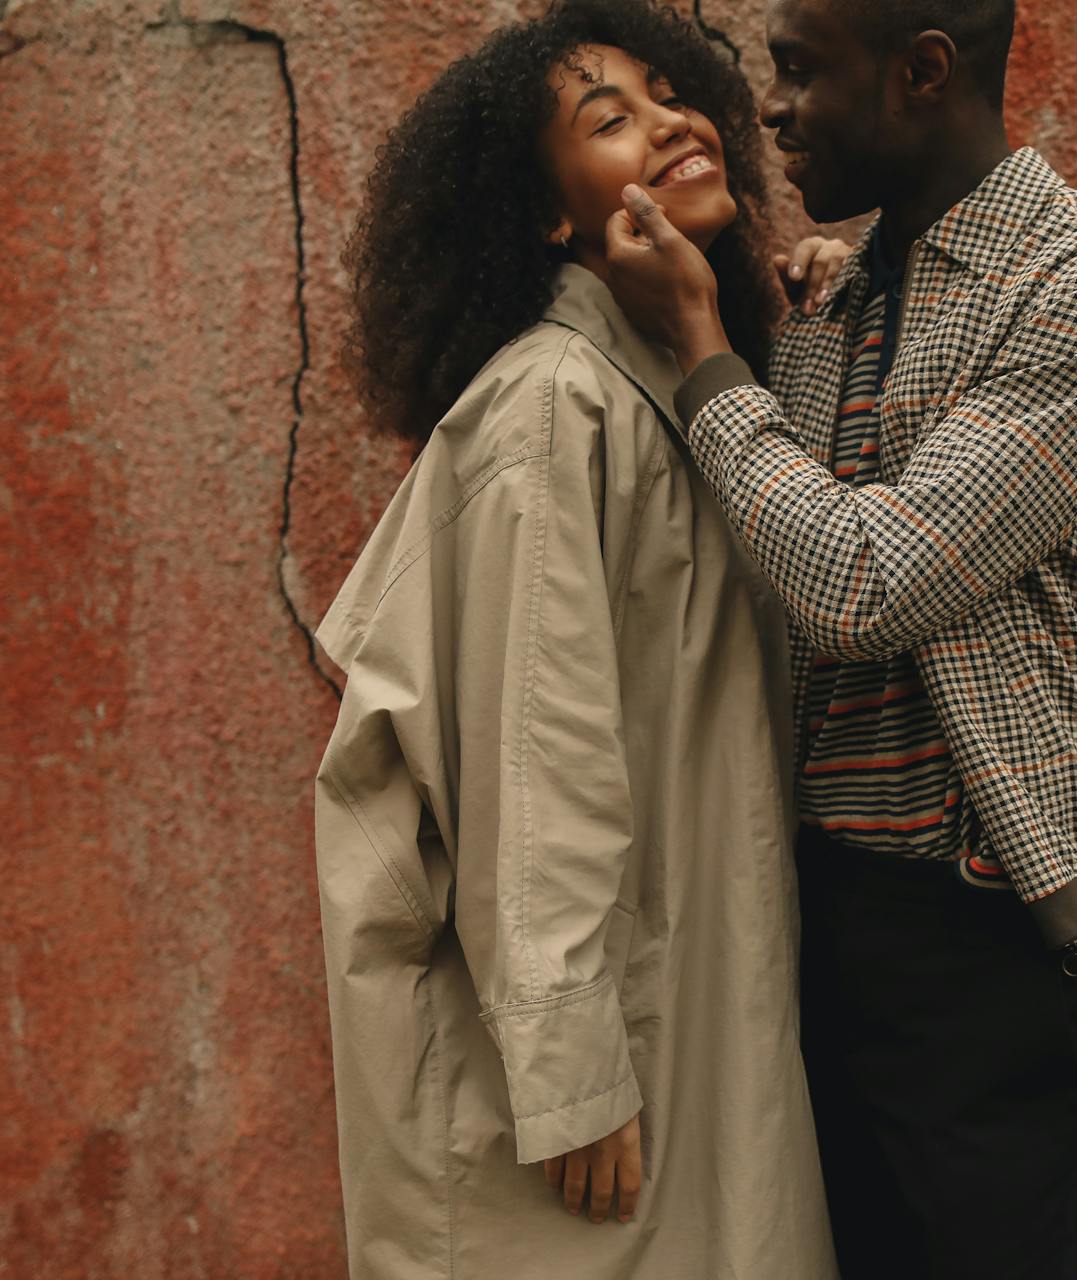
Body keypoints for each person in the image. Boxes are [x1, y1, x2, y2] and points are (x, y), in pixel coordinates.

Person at [601, 1, 1077, 1276]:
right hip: (796, 910)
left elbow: (868, 580)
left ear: (923, 72)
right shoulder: (833, 293)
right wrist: (774, 321)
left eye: (800, 73)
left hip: (976, 942)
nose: (766, 109)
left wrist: (704, 345)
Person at [311, 2, 842, 1274]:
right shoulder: (554, 407)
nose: (668, 122)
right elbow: (528, 763)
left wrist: (812, 313)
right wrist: (569, 1069)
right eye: (610, 119)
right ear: (552, 216)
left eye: (671, 93)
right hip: (592, 1080)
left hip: (691, 1002)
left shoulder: (675, 387)